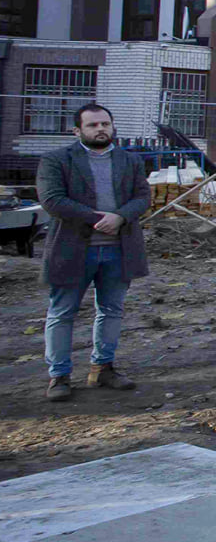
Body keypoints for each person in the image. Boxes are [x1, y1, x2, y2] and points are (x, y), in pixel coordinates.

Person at [36, 103, 149, 402]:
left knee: (111, 310)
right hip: (73, 249)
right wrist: (97, 218)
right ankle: (59, 376)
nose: (101, 129)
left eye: (105, 124)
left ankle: (103, 368)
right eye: (93, 125)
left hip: (119, 250)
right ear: (78, 131)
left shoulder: (129, 161)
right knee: (62, 313)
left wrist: (121, 217)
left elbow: (142, 196)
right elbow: (52, 200)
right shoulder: (57, 160)